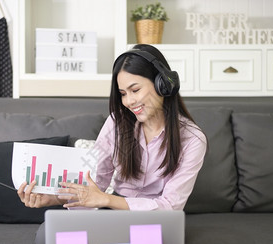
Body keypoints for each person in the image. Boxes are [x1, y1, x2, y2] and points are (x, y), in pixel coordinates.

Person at [18, 44, 206, 211]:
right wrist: (52, 199)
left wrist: (106, 200)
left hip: (157, 221)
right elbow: (95, 182)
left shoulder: (192, 139)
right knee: (51, 238)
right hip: (114, 213)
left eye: (135, 90)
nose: (129, 101)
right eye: (123, 94)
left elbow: (170, 206)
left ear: (162, 84)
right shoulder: (117, 122)